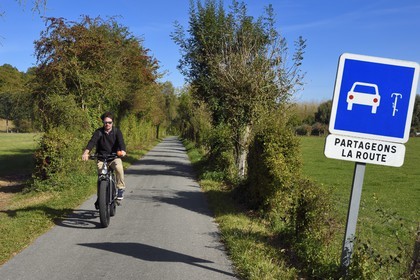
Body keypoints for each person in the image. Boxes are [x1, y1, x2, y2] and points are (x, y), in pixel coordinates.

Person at [82, 112, 127, 207]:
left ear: (112, 123)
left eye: (109, 122)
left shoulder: (116, 132)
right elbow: (92, 142)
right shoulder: (99, 132)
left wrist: (123, 151)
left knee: (119, 168)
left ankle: (120, 189)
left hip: (114, 157)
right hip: (102, 158)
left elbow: (121, 142)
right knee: (100, 177)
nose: (107, 124)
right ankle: (100, 197)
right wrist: (86, 152)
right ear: (103, 123)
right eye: (106, 122)